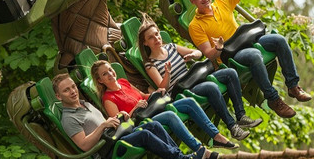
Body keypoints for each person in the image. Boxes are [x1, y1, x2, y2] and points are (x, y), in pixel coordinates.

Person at [187, 0, 312, 118]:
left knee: (279, 40)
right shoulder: (195, 25)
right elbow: (209, 54)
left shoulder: (222, 2)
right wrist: (219, 47)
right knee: (254, 55)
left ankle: (293, 86)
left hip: (246, 40)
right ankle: (274, 99)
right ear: (193, 2)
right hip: (230, 55)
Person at [53, 73, 206, 159]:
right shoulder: (68, 118)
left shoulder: (84, 104)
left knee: (153, 126)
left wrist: (117, 118)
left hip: (114, 138)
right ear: (59, 97)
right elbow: (84, 145)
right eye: (66, 90)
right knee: (144, 135)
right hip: (107, 155)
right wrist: (103, 126)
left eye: (73, 87)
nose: (73, 91)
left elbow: (103, 125)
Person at [137, 15, 263, 141]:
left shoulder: (171, 47)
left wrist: (192, 55)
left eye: (157, 34)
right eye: (151, 37)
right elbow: (162, 87)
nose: (156, 38)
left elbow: (198, 53)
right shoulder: (150, 64)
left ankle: (241, 116)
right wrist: (167, 73)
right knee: (211, 87)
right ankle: (233, 127)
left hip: (195, 79)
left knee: (230, 73)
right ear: (145, 43)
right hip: (182, 91)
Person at [92, 60, 235, 152]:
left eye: (110, 69)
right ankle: (199, 149)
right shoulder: (108, 99)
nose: (110, 74)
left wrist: (156, 93)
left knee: (189, 102)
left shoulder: (123, 82)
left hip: (153, 109)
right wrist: (135, 108)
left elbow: (142, 96)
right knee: (171, 115)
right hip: (143, 122)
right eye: (105, 74)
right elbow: (121, 124)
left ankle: (216, 137)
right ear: (100, 80)